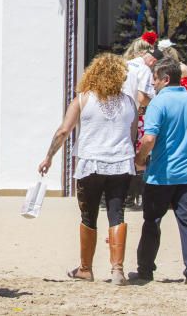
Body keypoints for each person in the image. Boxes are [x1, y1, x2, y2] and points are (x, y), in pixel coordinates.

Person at [38, 53, 137, 285]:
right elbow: (132, 136)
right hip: (121, 164)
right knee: (117, 213)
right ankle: (117, 270)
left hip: (90, 164)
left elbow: (64, 131)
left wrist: (49, 157)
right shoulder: (130, 103)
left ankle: (85, 268)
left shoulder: (83, 99)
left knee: (88, 215)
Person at [132, 57, 187, 284]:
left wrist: (140, 159)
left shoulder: (158, 103)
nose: (152, 84)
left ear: (165, 80)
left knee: (152, 222)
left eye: (155, 79)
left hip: (161, 175)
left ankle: (145, 270)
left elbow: (149, 138)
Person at [122, 31, 161, 207]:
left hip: (119, 115)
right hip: (138, 115)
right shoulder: (143, 69)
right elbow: (141, 97)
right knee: (141, 155)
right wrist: (157, 102)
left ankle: (123, 195)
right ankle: (136, 196)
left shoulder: (123, 65)